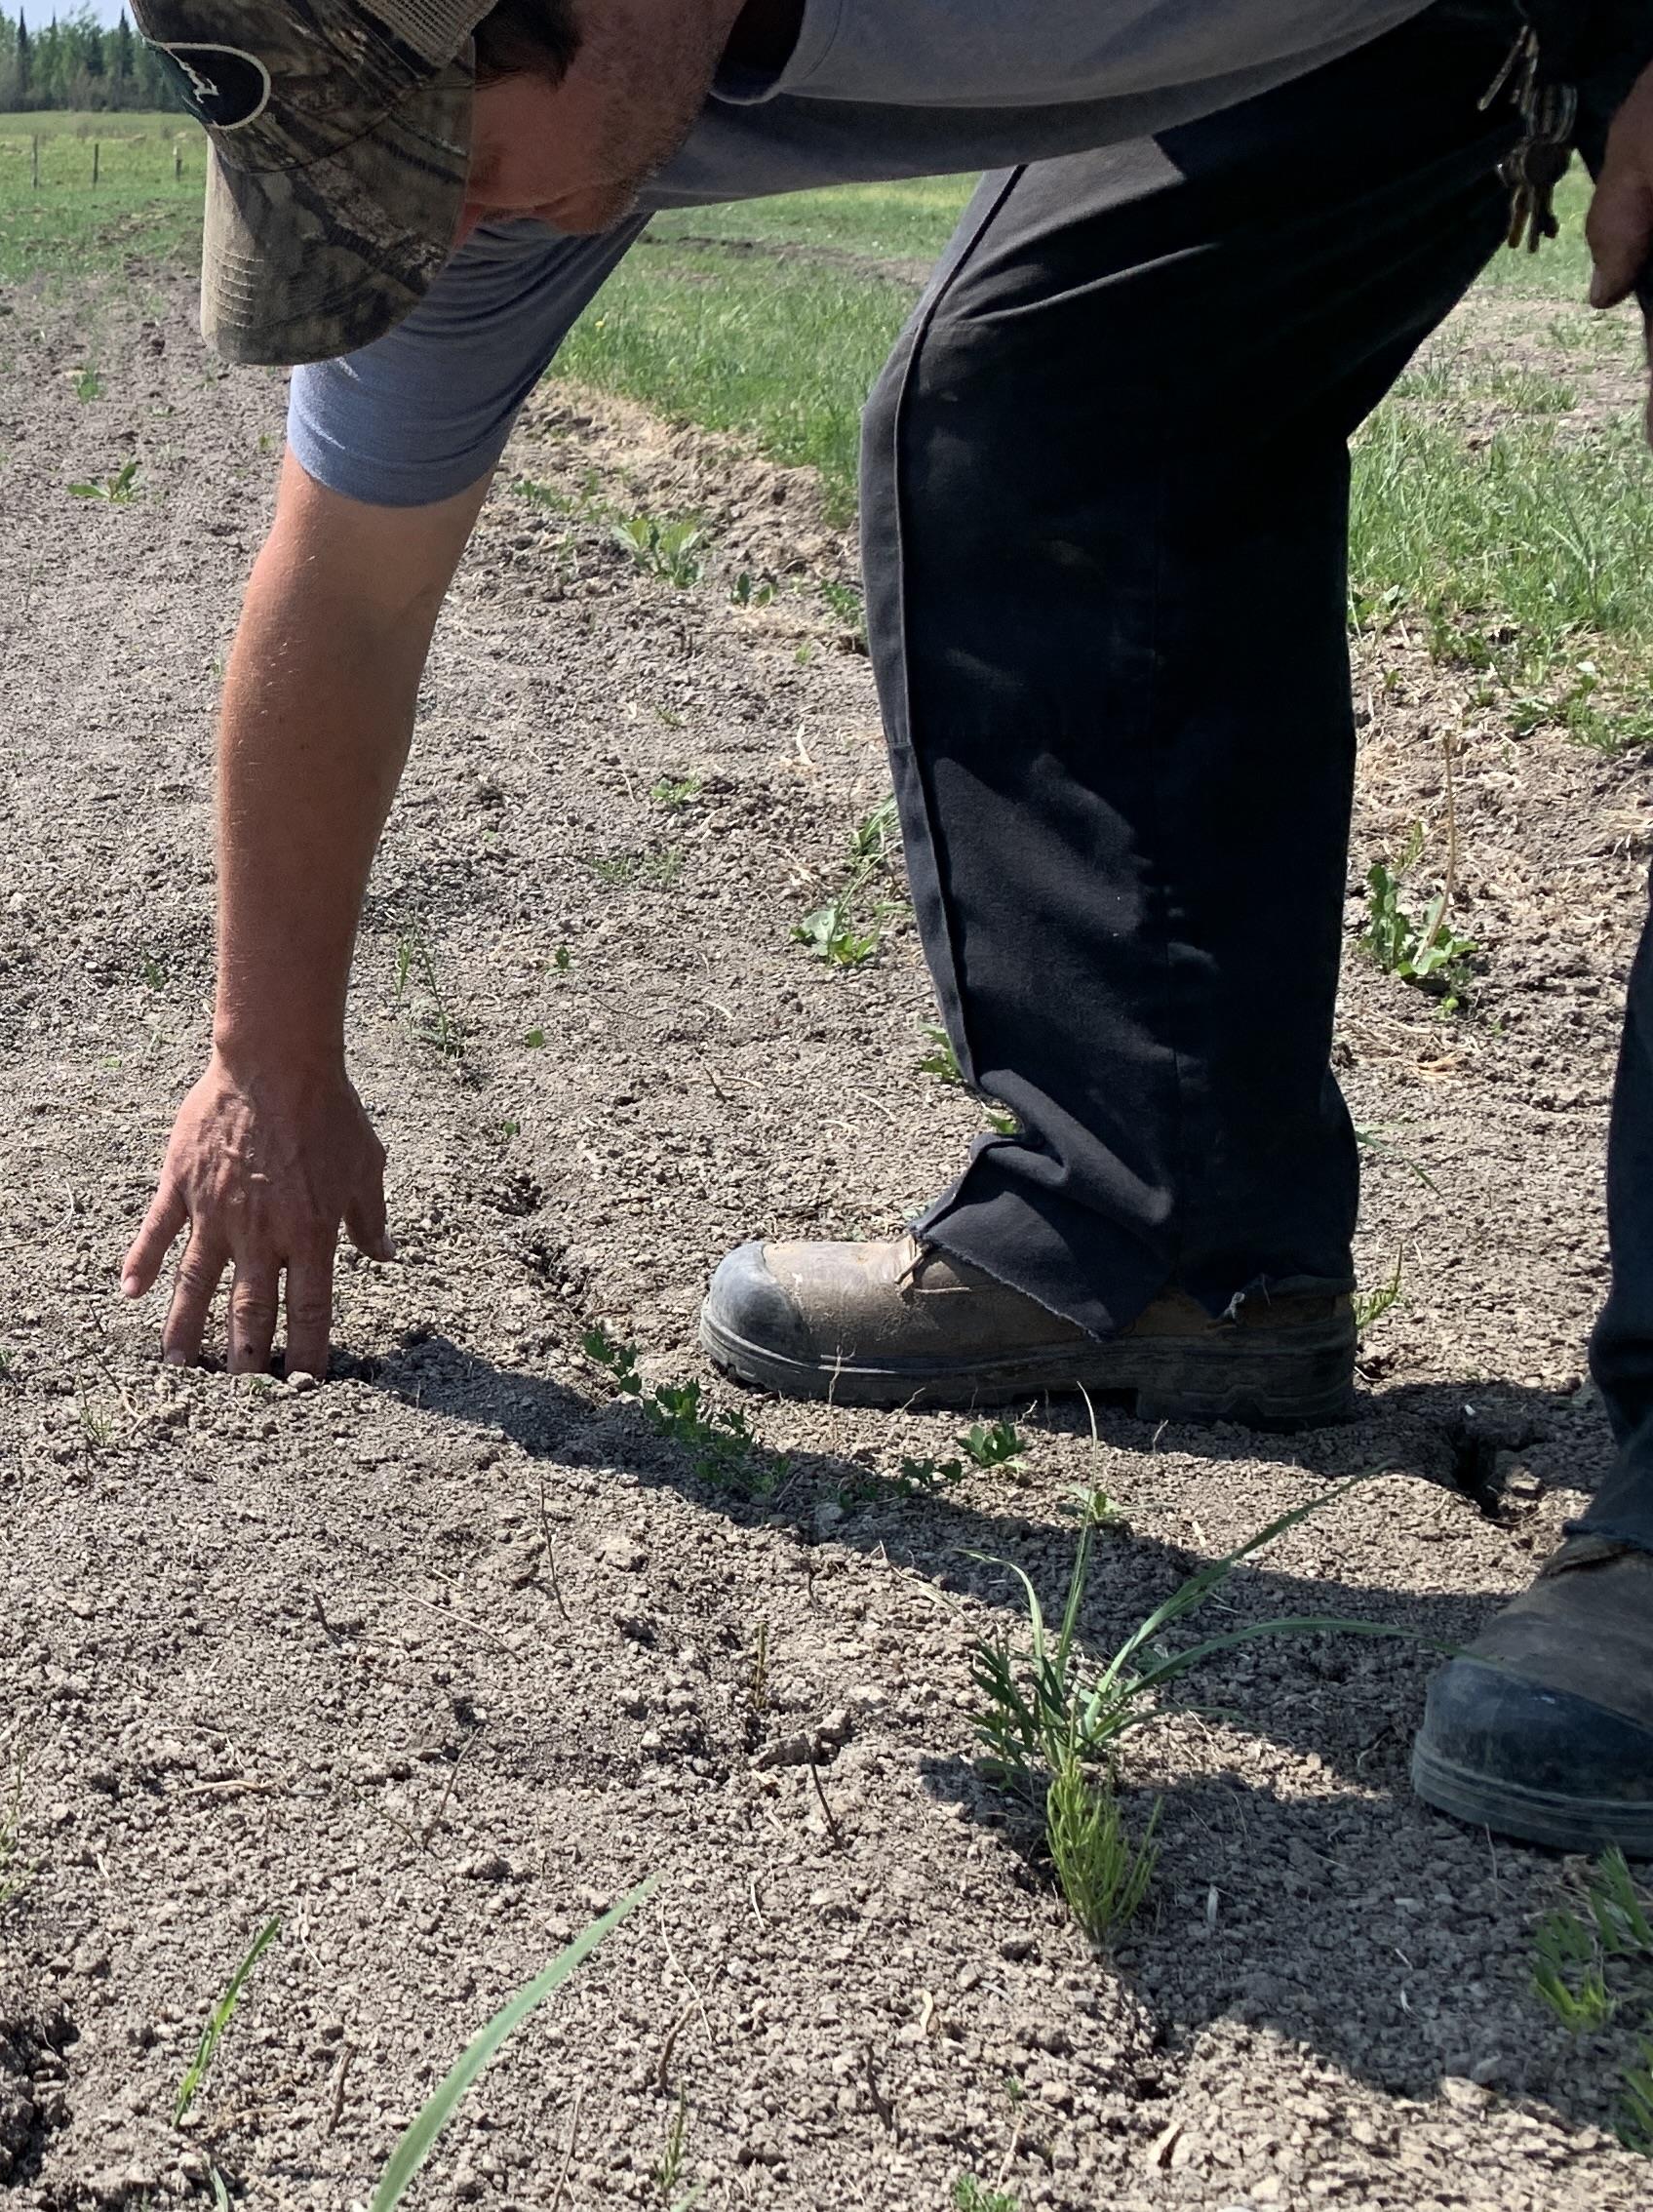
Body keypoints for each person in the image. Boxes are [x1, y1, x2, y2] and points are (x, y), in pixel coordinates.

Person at [109, 0, 1653, 1852]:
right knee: (1047, 400)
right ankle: (1171, 1237)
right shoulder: (470, 212)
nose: (435, 232)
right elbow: (344, 593)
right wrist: (263, 1062)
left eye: (446, 152)